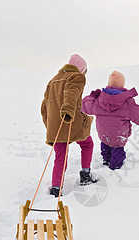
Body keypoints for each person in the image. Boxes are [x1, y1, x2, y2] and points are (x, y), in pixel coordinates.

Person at [41, 54, 97, 197]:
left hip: (56, 125)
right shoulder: (77, 77)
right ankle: (85, 175)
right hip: (71, 120)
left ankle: (56, 188)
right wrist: (67, 110)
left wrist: (49, 124)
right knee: (87, 144)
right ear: (81, 69)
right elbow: (71, 94)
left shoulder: (52, 80)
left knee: (60, 155)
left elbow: (44, 107)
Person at [82, 71, 139, 170]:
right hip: (119, 135)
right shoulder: (127, 102)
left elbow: (85, 106)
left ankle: (106, 160)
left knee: (105, 145)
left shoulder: (99, 99)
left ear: (108, 83)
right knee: (117, 149)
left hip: (103, 133)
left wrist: (91, 97)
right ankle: (115, 167)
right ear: (122, 85)